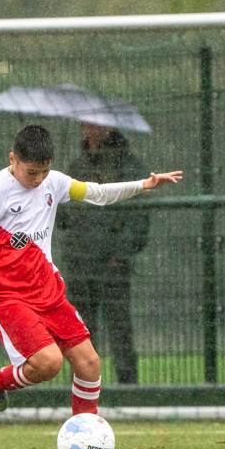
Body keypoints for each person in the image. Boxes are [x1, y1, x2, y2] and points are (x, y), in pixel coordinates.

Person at [0, 125, 181, 415]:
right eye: (31, 172)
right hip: (6, 295)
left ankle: (84, 434)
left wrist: (143, 185)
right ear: (13, 159)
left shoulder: (54, 182)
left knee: (89, 364)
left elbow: (97, 193)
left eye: (44, 171)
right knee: (49, 363)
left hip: (47, 290)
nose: (38, 180)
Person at [58, 123, 149, 384]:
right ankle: (85, 389)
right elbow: (63, 217)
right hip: (80, 266)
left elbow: (139, 219)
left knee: (120, 330)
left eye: (94, 124)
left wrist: (119, 255)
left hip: (113, 269)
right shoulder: (76, 167)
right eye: (84, 124)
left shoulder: (128, 167)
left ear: (108, 128)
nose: (87, 129)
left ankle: (129, 389)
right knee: (81, 335)